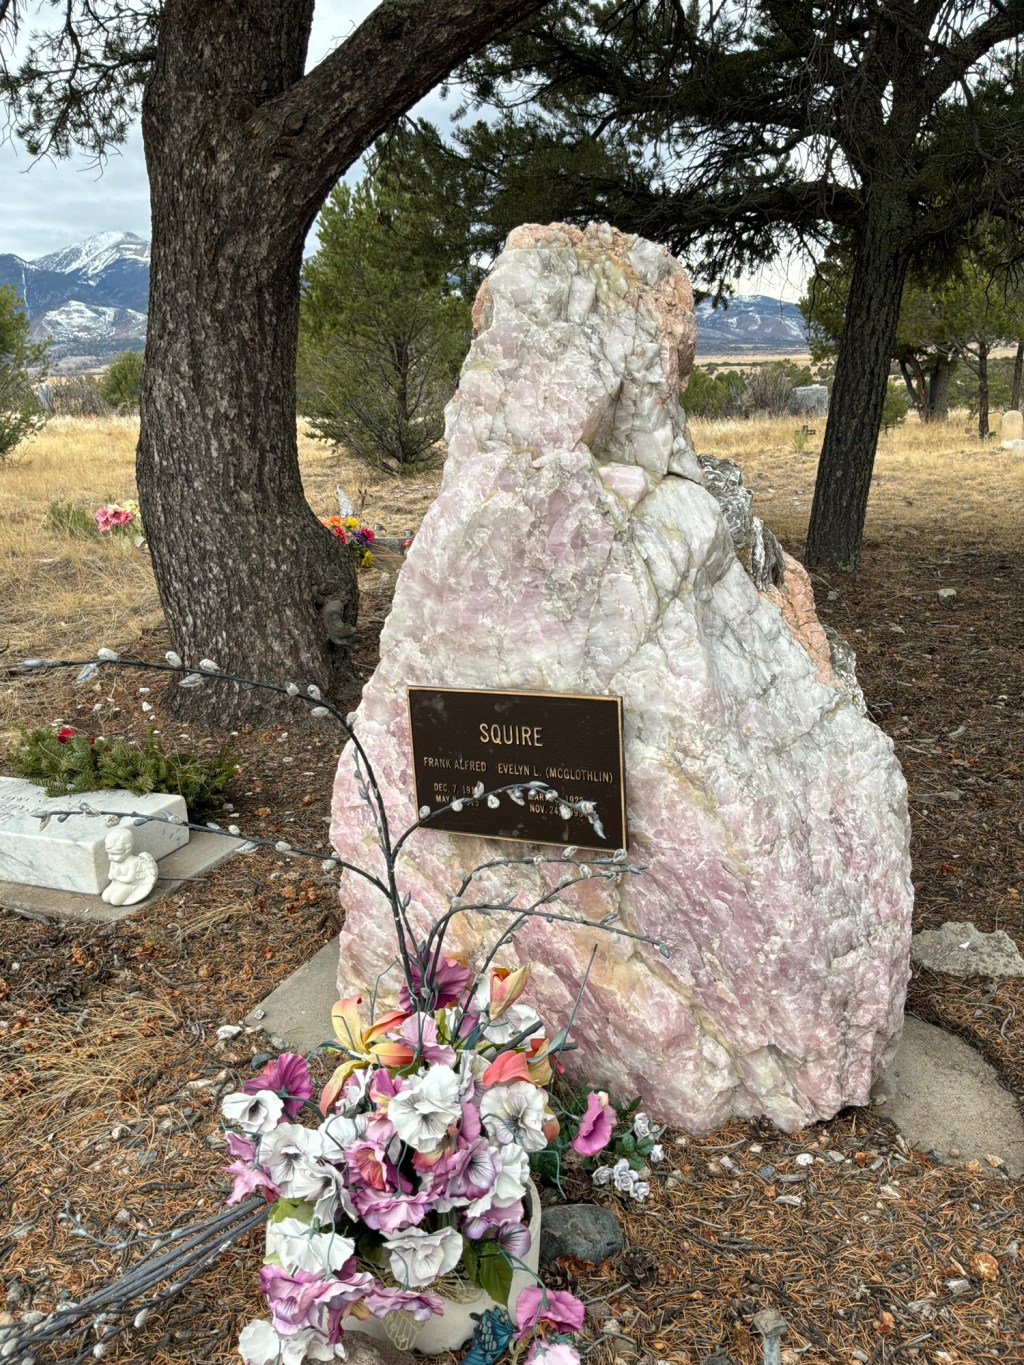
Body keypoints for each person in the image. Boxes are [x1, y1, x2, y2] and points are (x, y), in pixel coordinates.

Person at [101, 827, 159, 905]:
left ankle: (130, 894)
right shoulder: (114, 862)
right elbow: (111, 876)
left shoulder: (134, 862)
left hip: (128, 886)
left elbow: (130, 879)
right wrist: (113, 876)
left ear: (127, 850)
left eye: (116, 854)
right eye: (109, 853)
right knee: (105, 897)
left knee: (115, 901)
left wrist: (116, 876)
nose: (111, 857)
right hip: (116, 883)